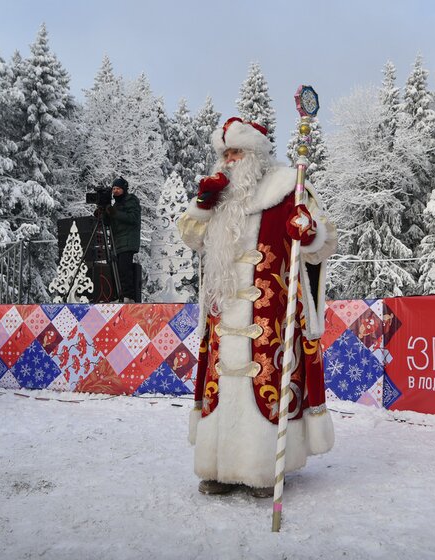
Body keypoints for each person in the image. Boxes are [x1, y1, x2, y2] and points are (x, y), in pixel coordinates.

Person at [177, 117, 337, 498]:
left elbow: (325, 240)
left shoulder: (287, 188)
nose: (229, 159)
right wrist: (203, 203)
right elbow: (189, 235)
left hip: (271, 314)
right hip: (223, 310)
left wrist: (309, 232)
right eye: (224, 152)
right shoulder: (216, 194)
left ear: (254, 154)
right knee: (221, 385)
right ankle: (219, 467)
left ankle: (264, 468)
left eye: (236, 151)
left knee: (264, 381)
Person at [105, 176, 141, 303]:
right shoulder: (116, 204)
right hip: (117, 242)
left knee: (124, 269)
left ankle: (128, 296)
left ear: (124, 189)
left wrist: (114, 213)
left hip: (127, 240)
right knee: (117, 269)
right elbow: (111, 223)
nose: (115, 191)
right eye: (113, 188)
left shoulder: (131, 200)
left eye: (118, 188)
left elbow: (133, 218)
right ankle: (119, 296)